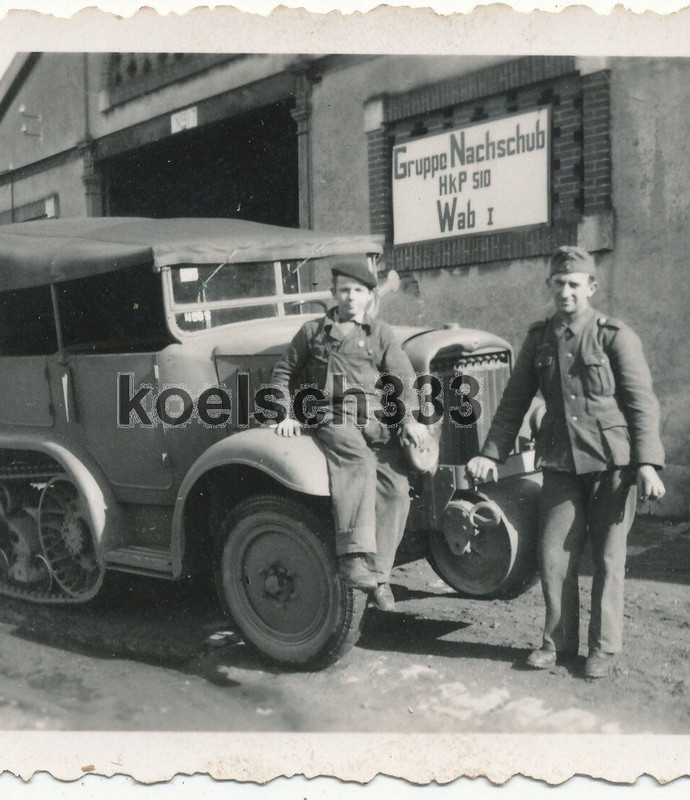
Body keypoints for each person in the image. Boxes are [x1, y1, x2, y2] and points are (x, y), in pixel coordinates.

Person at [466, 245, 666, 679]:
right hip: (559, 463)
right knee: (553, 556)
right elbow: (514, 402)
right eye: (559, 284)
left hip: (612, 464)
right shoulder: (539, 339)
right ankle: (556, 642)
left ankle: (604, 648)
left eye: (575, 284)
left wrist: (647, 463)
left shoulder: (615, 336)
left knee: (609, 558)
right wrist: (489, 453)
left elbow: (641, 404)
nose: (566, 292)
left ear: (590, 287)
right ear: (550, 287)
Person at [269, 256, 430, 612]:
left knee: (396, 486)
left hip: (374, 421)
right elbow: (282, 374)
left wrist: (410, 421)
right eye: (344, 291)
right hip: (330, 417)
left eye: (358, 291)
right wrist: (286, 413)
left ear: (370, 295)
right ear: (333, 293)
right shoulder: (313, 332)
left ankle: (381, 578)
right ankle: (353, 558)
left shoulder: (381, 334)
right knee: (357, 462)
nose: (350, 298)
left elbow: (402, 381)